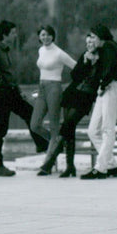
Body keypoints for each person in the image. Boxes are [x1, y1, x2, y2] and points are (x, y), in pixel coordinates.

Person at [0, 20, 50, 177]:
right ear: (5, 35)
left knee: (31, 114)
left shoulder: (5, 50)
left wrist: (18, 91)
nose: (15, 35)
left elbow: (8, 75)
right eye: (13, 33)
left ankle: (42, 145)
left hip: (10, 92)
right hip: (1, 93)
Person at [37, 33, 100, 178]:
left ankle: (50, 161)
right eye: (87, 43)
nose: (89, 45)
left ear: (97, 43)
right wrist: (84, 61)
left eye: (92, 43)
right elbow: (75, 76)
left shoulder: (102, 58)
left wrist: (93, 62)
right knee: (69, 130)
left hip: (85, 98)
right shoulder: (85, 55)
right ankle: (70, 166)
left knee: (67, 124)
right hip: (72, 94)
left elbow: (96, 79)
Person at [81, 24, 117, 179]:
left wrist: (103, 84)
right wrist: (90, 59)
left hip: (110, 87)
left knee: (107, 129)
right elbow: (91, 75)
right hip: (106, 88)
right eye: (89, 37)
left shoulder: (109, 47)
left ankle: (100, 169)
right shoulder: (102, 50)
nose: (90, 39)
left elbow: (112, 69)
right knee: (92, 131)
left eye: (93, 36)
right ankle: (112, 166)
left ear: (101, 36)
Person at [31, 25, 77, 175]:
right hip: (42, 87)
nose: (46, 37)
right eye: (43, 35)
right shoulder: (41, 50)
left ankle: (47, 164)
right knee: (35, 125)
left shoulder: (59, 53)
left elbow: (77, 67)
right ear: (39, 36)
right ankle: (56, 142)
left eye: (49, 35)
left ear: (53, 36)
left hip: (54, 89)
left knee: (54, 126)